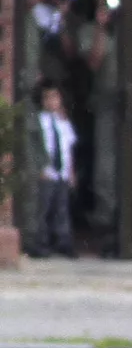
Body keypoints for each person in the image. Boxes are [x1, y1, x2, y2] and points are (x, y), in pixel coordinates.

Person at [77, 0, 122, 254]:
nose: (110, 2)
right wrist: (101, 28)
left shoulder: (131, 28)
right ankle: (106, 222)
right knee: (106, 165)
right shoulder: (89, 30)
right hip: (105, 102)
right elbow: (93, 62)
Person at [27, 82, 79, 259]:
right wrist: (38, 167)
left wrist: (71, 172)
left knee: (61, 208)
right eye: (47, 98)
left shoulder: (63, 121)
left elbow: (67, 147)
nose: (51, 102)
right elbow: (34, 147)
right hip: (47, 171)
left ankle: (63, 241)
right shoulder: (38, 121)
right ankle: (40, 242)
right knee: (43, 208)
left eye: (55, 97)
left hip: (62, 172)